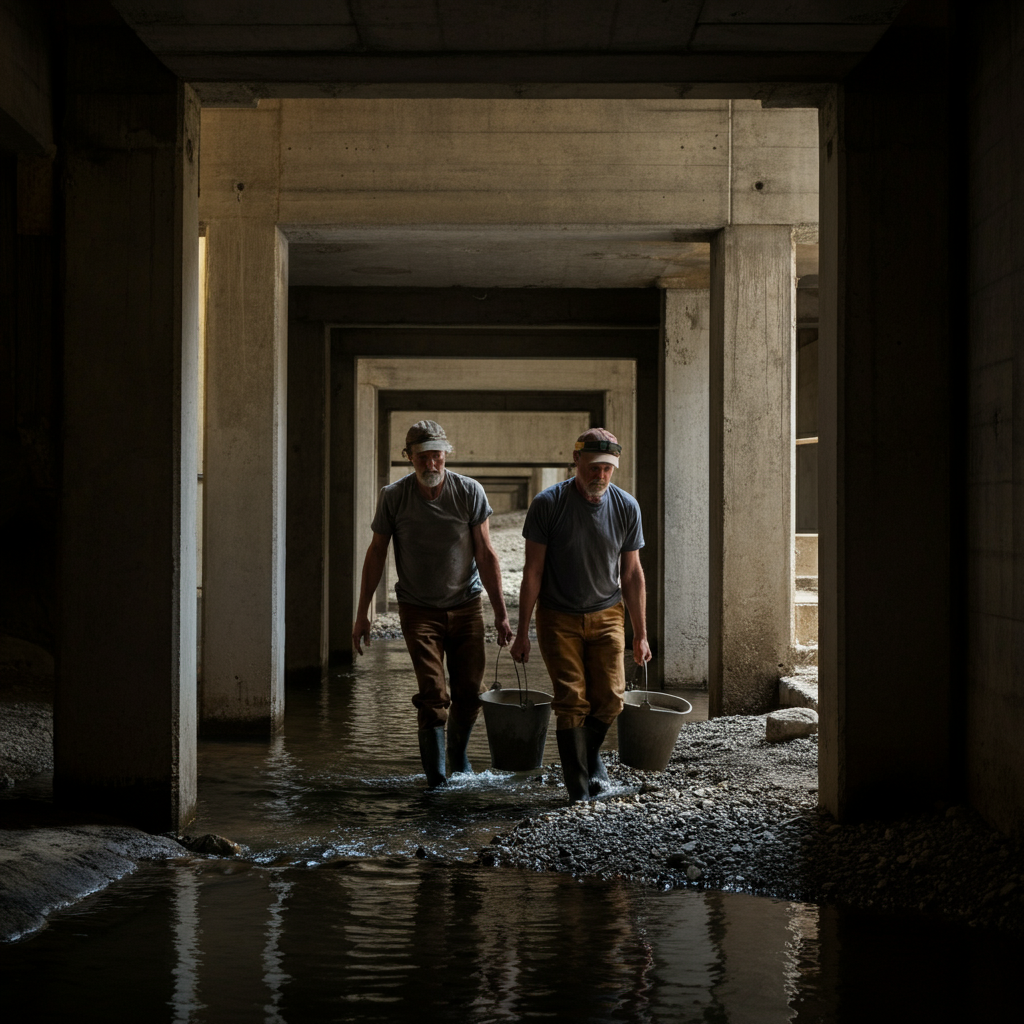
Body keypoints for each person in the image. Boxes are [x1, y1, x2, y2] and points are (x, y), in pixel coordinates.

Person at [352, 420, 513, 789]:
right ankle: (437, 781)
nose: (430, 464)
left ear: (446, 455)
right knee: (432, 693)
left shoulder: (469, 491)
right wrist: (362, 614)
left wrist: (502, 614)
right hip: (418, 609)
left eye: (437, 456)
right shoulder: (394, 496)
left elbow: (486, 554)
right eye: (422, 457)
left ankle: (458, 754)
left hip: (467, 605)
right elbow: (376, 552)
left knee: (470, 693)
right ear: (409, 457)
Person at [510, 427, 651, 802]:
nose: (599, 476)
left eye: (607, 468)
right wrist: (523, 631)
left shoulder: (626, 507)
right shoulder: (548, 504)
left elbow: (632, 573)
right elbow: (533, 572)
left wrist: (640, 634)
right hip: (558, 617)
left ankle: (587, 758)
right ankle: (578, 793)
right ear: (576, 462)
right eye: (592, 467)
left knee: (611, 698)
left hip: (607, 613)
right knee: (572, 699)